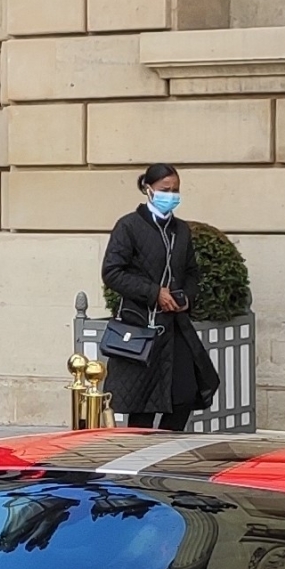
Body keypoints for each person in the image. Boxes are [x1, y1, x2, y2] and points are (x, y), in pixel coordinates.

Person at [99, 163, 220, 432]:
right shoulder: (128, 226)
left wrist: (185, 296)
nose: (172, 195)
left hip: (176, 327)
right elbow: (112, 272)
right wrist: (153, 293)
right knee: (141, 403)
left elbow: (191, 272)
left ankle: (166, 448)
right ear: (149, 189)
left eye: (176, 190)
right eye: (166, 189)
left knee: (185, 396)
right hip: (141, 327)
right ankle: (138, 459)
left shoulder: (182, 230)